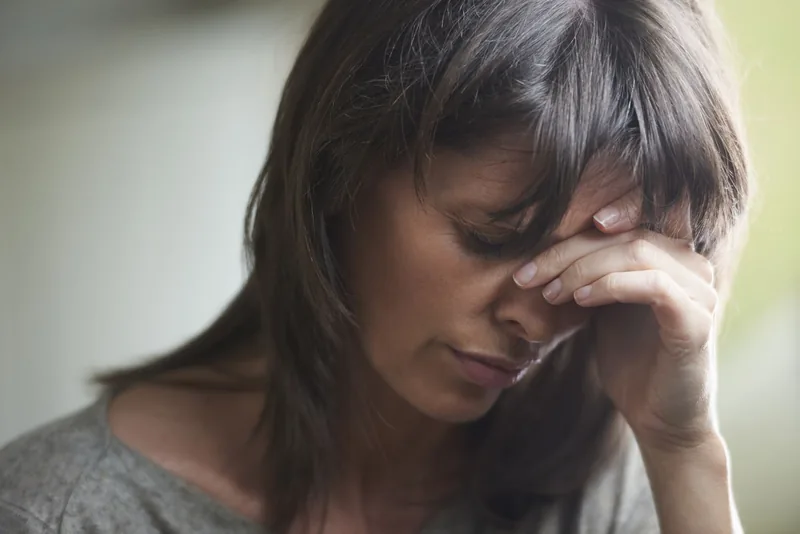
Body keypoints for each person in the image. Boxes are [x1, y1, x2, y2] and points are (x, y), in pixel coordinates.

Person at [0, 0, 751, 532]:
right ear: (342, 171)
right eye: (489, 237)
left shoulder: (601, 492)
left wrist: (683, 452)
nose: (539, 315)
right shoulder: (63, 511)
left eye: (590, 261)